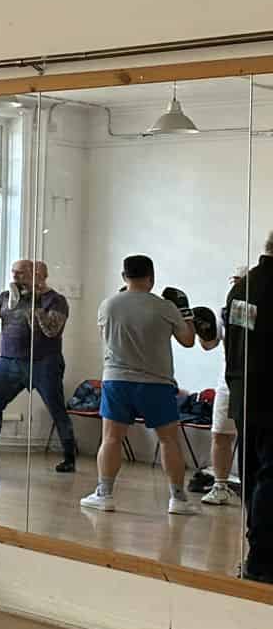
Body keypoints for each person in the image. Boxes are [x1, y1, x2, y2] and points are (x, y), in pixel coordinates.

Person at [83, 256, 199, 516]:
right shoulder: (165, 307)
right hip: (156, 383)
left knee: (112, 438)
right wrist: (185, 312)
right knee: (169, 440)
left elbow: (106, 337)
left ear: (124, 276)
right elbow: (189, 340)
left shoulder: (108, 305)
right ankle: (178, 500)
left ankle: (105, 494)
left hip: (117, 380)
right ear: (152, 277)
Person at [0, 258, 77, 472]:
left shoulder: (56, 300)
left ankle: (69, 457)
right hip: (8, 361)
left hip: (44, 363)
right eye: (14, 272)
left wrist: (35, 301)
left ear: (38, 276)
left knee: (57, 409)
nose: (15, 276)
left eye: (22, 273)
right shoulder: (5, 297)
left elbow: (51, 330)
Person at [237, 236, 273, 583]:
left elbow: (236, 347)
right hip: (267, 397)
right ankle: (262, 559)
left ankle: (257, 551)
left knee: (253, 473)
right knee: (268, 477)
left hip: (246, 396)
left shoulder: (243, 287)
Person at [203, 274, 247, 505]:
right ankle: (220, 485)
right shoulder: (223, 313)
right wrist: (204, 328)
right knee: (220, 434)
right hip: (227, 383)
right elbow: (209, 344)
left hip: (255, 382)